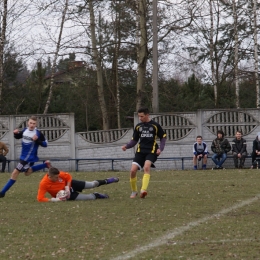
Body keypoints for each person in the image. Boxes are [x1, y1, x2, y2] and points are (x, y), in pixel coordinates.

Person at [121, 107, 166, 199]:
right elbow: (134, 140)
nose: (140, 118)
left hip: (152, 151)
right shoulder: (138, 126)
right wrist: (127, 146)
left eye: (142, 116)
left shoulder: (155, 125)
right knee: (133, 171)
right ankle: (134, 191)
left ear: (147, 115)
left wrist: (160, 149)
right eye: (139, 116)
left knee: (146, 167)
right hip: (140, 151)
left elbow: (163, 137)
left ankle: (143, 190)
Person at [0, 116, 50, 198]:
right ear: (28, 123)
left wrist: (37, 140)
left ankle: (2, 192)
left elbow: (45, 144)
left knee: (15, 173)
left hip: (29, 158)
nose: (32, 125)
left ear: (36, 124)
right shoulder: (25, 130)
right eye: (30, 123)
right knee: (27, 173)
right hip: (23, 157)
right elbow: (18, 136)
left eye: (34, 123)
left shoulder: (38, 133)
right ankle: (45, 164)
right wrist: (15, 134)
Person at [37, 167, 119, 202]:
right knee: (89, 198)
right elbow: (40, 198)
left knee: (92, 184)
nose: (58, 178)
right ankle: (97, 195)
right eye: (56, 177)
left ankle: (107, 181)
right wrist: (54, 200)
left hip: (71, 185)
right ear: (50, 176)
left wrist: (68, 187)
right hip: (66, 195)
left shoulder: (59, 174)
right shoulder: (43, 183)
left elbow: (68, 177)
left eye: (59, 177)